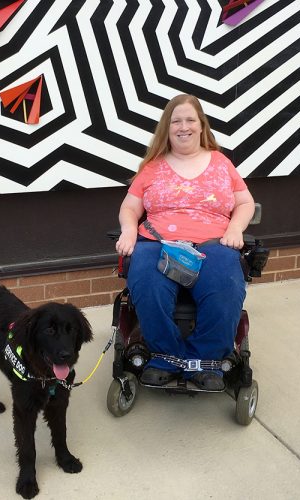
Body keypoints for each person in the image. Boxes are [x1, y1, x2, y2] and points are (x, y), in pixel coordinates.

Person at [115, 94, 255, 391]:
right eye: (176, 121)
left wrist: (236, 228)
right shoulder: (152, 167)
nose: (184, 126)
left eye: (190, 119)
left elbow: (245, 202)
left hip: (212, 242)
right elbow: (130, 207)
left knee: (225, 281)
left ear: (201, 125)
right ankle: (166, 357)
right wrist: (129, 230)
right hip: (159, 240)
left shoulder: (221, 163)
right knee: (146, 277)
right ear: (167, 129)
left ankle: (206, 362)